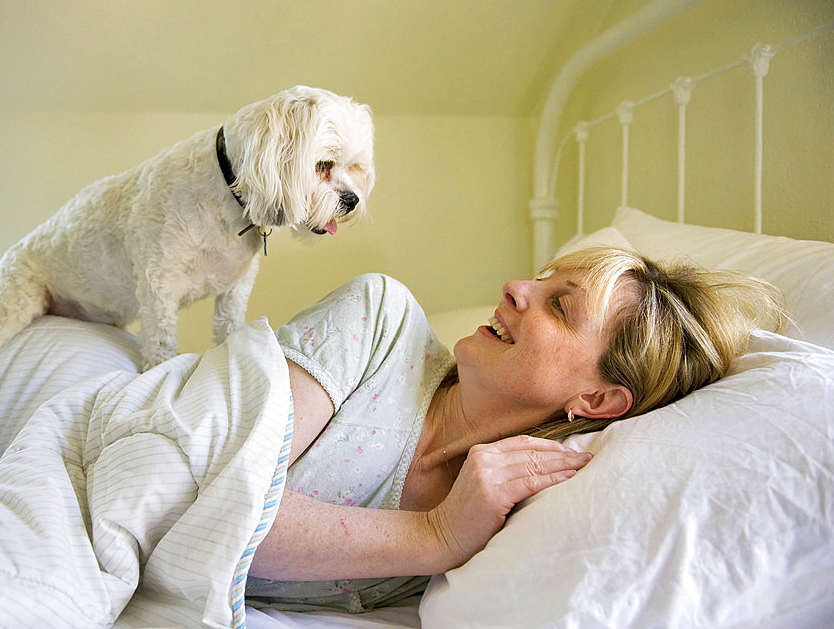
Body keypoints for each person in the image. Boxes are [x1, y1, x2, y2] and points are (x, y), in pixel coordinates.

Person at [244, 245, 786, 612]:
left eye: (560, 306)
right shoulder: (379, 321)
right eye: (541, 279)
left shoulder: (509, 519)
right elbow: (216, 497)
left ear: (596, 399)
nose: (514, 287)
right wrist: (433, 537)